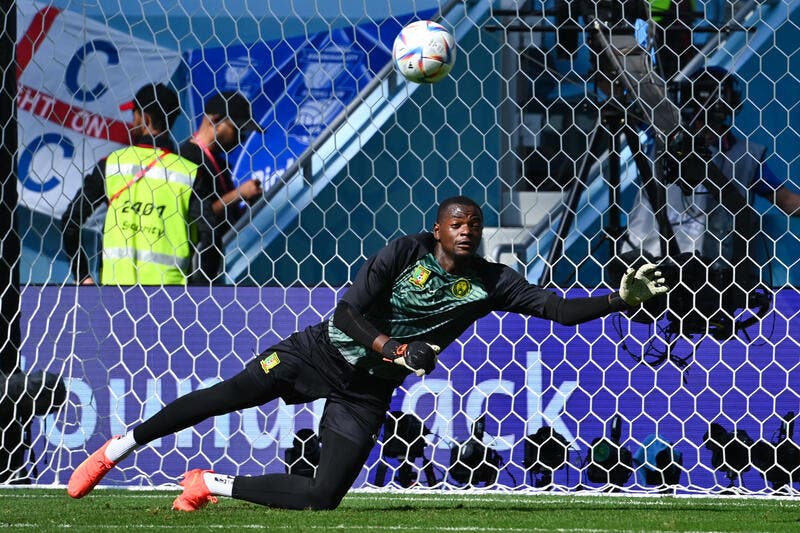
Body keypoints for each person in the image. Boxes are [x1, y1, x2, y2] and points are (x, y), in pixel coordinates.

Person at [67, 196, 668, 511]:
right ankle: (118, 447)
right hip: (317, 353)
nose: (466, 228)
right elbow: (346, 314)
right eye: (456, 221)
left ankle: (207, 483)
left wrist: (619, 298)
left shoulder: (490, 281)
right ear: (437, 230)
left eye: (474, 223)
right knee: (222, 397)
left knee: (323, 498)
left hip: (366, 390)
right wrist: (396, 346)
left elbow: (556, 310)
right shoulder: (404, 252)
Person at [623, 67, 800, 265]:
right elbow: (622, 103)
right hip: (647, 257)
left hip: (710, 268)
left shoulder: (747, 156)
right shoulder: (661, 135)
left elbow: (786, 201)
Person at [61, 83, 220, 285]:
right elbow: (211, 236)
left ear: (144, 118)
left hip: (114, 296)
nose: (132, 122)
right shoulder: (189, 172)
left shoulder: (113, 164)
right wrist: (199, 292)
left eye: (134, 115)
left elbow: (70, 221)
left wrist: (82, 276)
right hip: (170, 300)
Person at [179, 91, 264, 239]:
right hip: (200, 256)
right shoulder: (186, 158)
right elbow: (196, 218)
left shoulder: (219, 164)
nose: (241, 139)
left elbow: (224, 220)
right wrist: (239, 194)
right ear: (216, 121)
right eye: (237, 130)